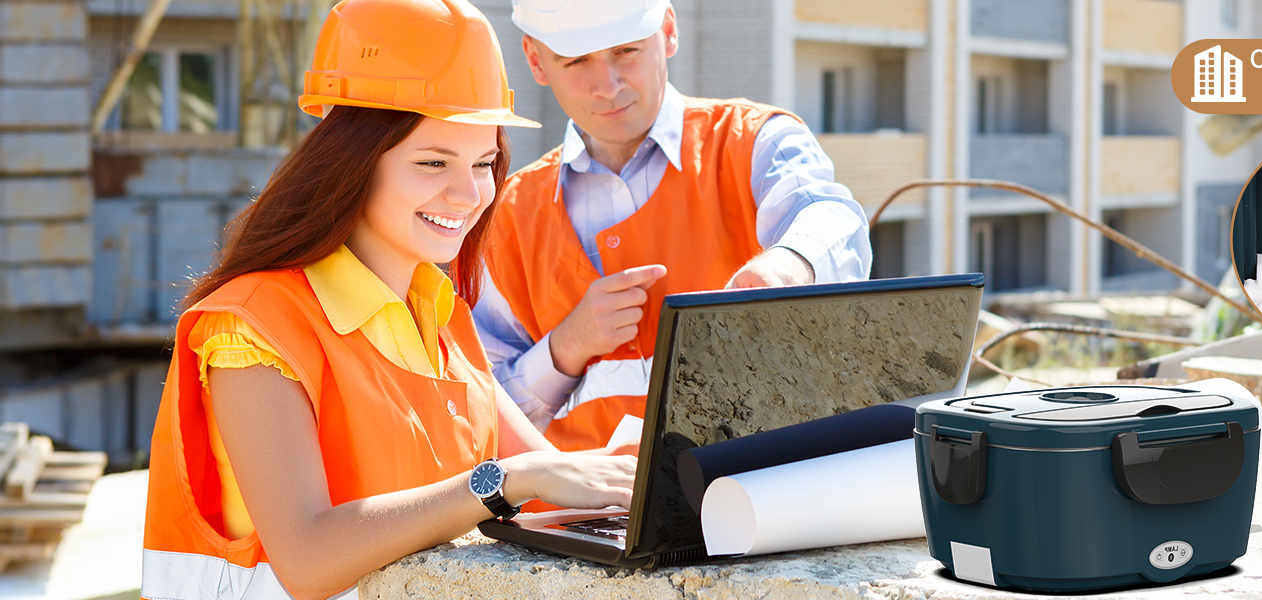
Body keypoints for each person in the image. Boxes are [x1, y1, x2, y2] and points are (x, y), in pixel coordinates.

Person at [140, 2, 635, 598]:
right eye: (433, 162)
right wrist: (506, 479)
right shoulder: (254, 326)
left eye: (484, 163)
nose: (469, 192)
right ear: (350, 164)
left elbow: (554, 484)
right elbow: (306, 558)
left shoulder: (441, 316)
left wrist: (652, 469)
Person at [473, 0, 873, 451]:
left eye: (626, 51)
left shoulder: (756, 140)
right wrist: (564, 348)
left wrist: (785, 269)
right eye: (577, 61)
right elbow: (478, 417)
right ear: (534, 60)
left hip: (751, 497)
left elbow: (830, 216)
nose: (607, 86)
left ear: (667, 31)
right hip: (577, 517)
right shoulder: (504, 215)